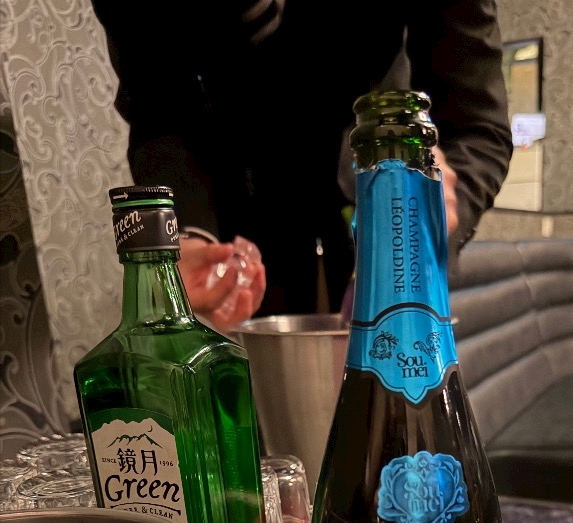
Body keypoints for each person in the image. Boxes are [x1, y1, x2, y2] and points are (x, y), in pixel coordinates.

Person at [91, 0, 513, 329]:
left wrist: (440, 207)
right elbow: (158, 108)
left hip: (391, 244)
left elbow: (477, 125)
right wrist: (187, 232)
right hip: (241, 247)